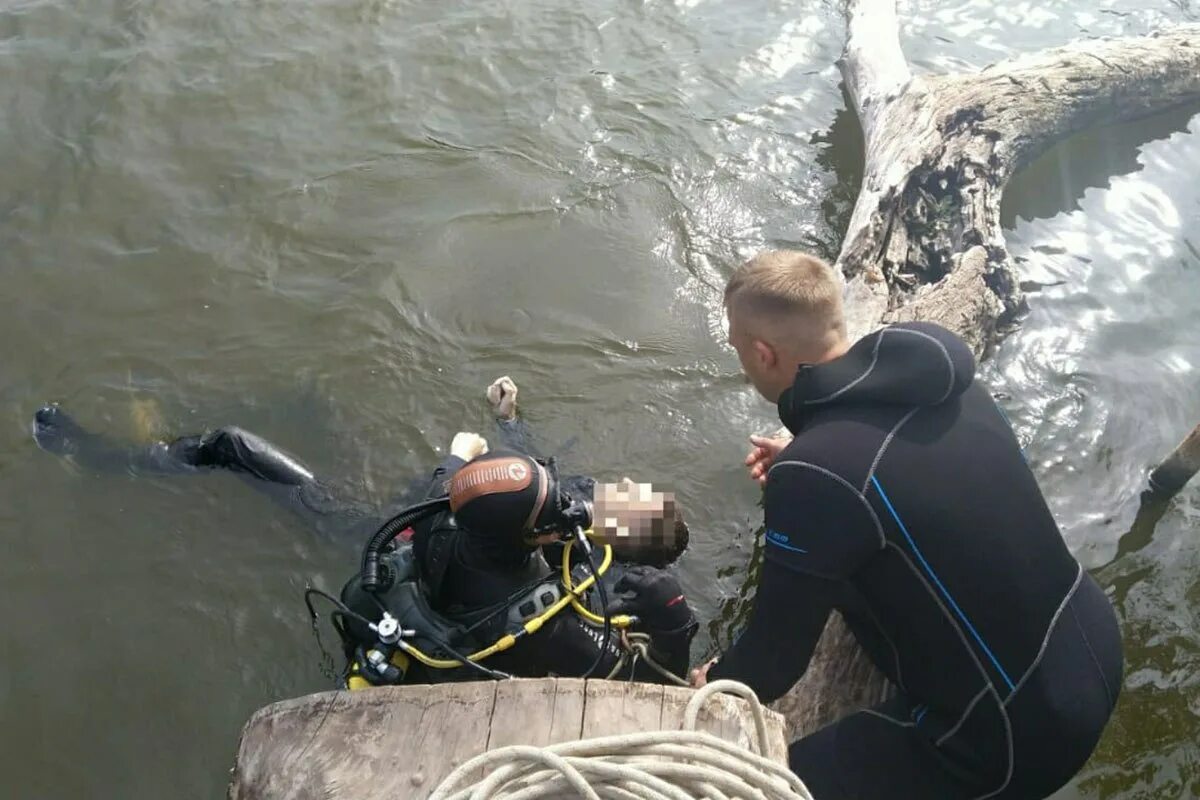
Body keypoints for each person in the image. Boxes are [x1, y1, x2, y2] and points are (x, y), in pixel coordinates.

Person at [690, 250, 1123, 799]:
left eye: (736, 347)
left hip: (1011, 735)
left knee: (751, 790)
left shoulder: (819, 475)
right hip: (1088, 637)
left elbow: (774, 664)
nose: (739, 358)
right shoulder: (934, 373)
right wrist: (813, 453)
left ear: (763, 353)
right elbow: (904, 467)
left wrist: (719, 679)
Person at [31, 377, 696, 685]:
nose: (611, 494)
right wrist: (666, 614)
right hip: (416, 560)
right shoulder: (563, 593)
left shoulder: (475, 524)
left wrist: (500, 435)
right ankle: (100, 456)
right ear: (550, 534)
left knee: (232, 444)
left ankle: (96, 456)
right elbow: (652, 675)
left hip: (389, 540)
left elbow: (501, 486)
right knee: (239, 444)